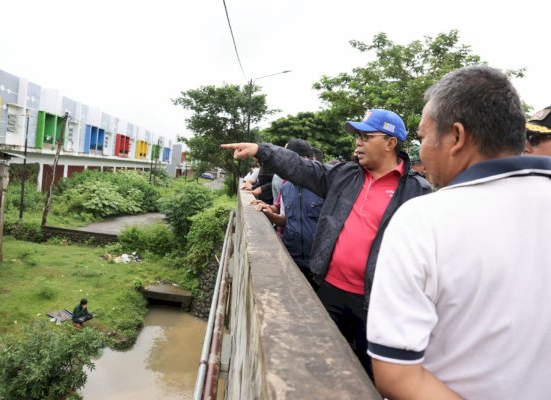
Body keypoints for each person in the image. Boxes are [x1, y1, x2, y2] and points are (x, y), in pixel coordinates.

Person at [366, 65, 551, 399]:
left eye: (423, 137)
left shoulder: (423, 220)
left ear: (456, 137)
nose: (421, 151)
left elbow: (397, 375)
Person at [222, 109, 432, 376]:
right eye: (358, 136)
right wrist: (260, 150)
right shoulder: (344, 175)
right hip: (330, 290)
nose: (358, 142)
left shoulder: (417, 192)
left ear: (391, 143)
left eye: (367, 136)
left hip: (378, 302)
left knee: (370, 376)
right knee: (320, 367)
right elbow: (302, 167)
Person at [255, 139, 324, 287]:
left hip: (318, 265)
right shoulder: (285, 188)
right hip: (291, 257)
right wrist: (269, 212)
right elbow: (286, 218)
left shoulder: (324, 187)